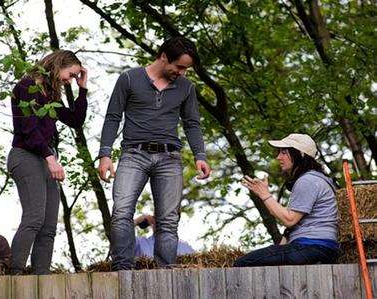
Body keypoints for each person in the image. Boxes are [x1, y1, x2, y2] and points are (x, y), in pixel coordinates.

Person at [98, 37, 211, 270]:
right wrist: (105, 154)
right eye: (179, 67)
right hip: (133, 155)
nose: (182, 72)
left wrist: (200, 155)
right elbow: (113, 117)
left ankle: (166, 273)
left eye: (186, 69)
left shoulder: (186, 88)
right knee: (121, 213)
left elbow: (192, 124)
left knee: (169, 220)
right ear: (163, 57)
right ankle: (123, 271)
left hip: (170, 158)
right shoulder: (129, 79)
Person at [7, 50, 88, 274]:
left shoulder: (50, 96)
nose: (69, 80)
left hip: (45, 158)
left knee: (49, 226)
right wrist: (51, 159)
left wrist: (82, 89)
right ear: (58, 64)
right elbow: (29, 130)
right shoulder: (27, 87)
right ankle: (14, 277)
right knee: (34, 218)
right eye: (70, 74)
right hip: (26, 156)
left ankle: (40, 279)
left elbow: (75, 120)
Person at [234, 133, 339, 267]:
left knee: (243, 262)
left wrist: (265, 194)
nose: (278, 157)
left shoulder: (307, 181)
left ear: (300, 154)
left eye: (284, 152)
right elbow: (291, 226)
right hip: (317, 248)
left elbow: (289, 220)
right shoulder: (316, 179)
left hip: (312, 247)